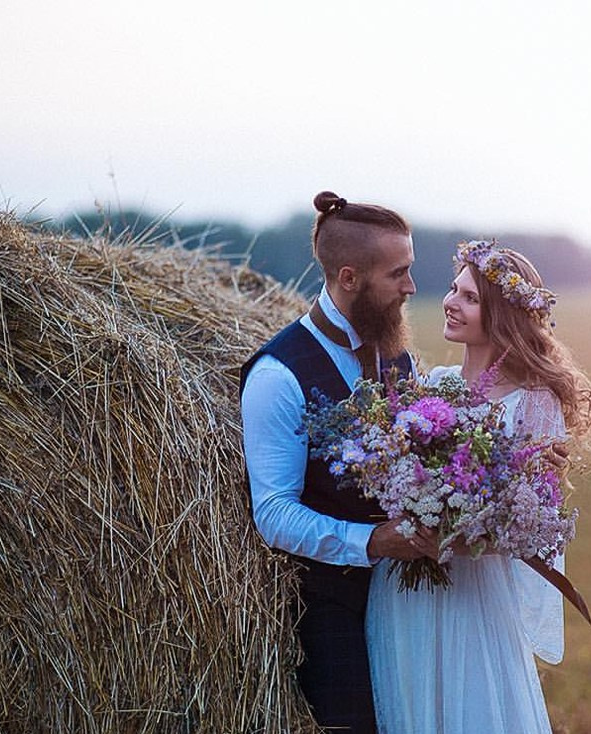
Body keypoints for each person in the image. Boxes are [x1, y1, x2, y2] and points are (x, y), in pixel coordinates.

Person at [365, 239, 591, 733]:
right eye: (454, 290)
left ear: (501, 316)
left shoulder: (535, 404)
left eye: (469, 297)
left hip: (475, 597)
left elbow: (532, 524)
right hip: (405, 592)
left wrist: (464, 532)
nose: (450, 302)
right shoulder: (434, 385)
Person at [239, 191, 435, 733]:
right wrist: (371, 542)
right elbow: (274, 513)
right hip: (330, 613)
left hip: (411, 600)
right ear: (349, 278)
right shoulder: (277, 377)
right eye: (398, 273)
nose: (411, 288)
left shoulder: (398, 356)